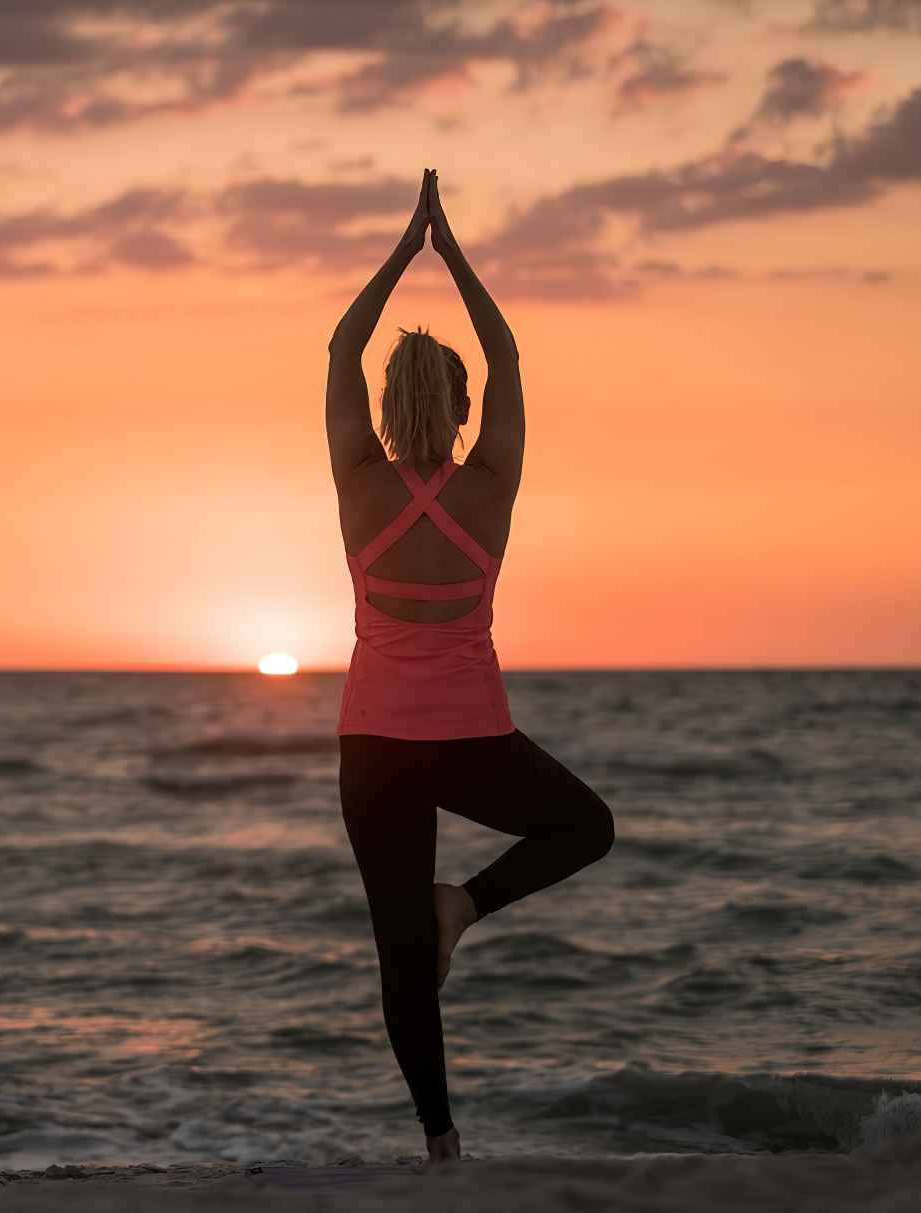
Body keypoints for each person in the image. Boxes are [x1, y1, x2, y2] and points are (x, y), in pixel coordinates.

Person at [325, 170, 615, 1164]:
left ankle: (441, 1145)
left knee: (398, 952)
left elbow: (341, 349)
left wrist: (402, 250)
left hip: (373, 745)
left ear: (386, 404)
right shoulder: (490, 484)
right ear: (459, 408)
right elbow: (506, 354)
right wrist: (449, 252)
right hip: (469, 737)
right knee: (587, 826)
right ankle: (469, 902)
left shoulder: (358, 483)